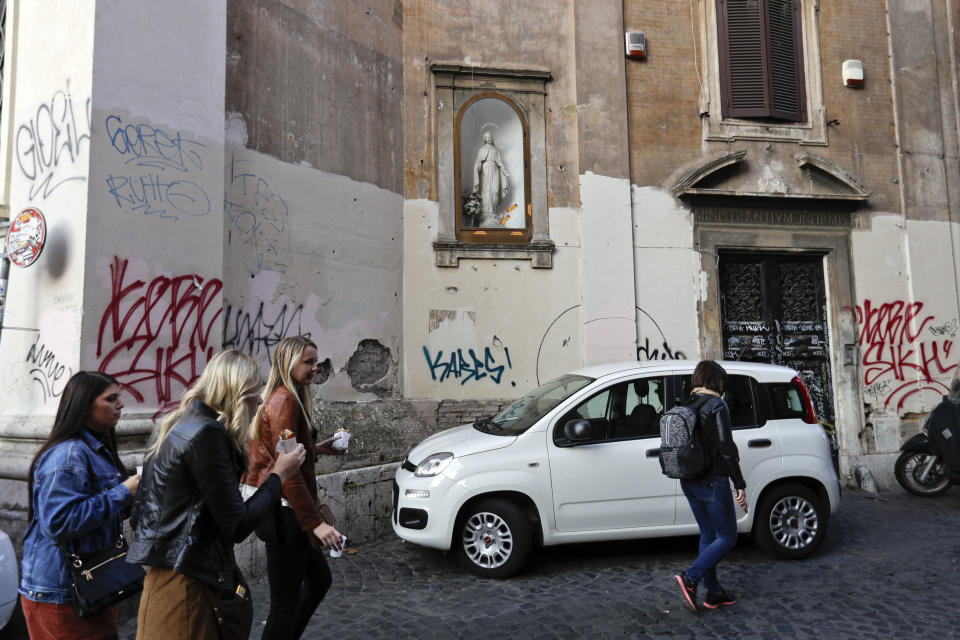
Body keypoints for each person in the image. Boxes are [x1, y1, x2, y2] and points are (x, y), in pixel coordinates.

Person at [129, 349, 305, 639]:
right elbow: (236, 524)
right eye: (255, 390)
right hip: (187, 584)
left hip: (170, 576)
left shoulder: (177, 424)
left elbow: (141, 515)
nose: (260, 399)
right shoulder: (206, 435)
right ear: (236, 392)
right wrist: (279, 475)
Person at [18, 371, 139, 640]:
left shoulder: (94, 448)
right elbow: (60, 523)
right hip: (61, 594)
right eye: (111, 399)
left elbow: (105, 511)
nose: (120, 405)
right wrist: (123, 492)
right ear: (84, 405)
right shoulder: (68, 455)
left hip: (93, 586)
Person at [243, 336, 345, 640]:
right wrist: (315, 524)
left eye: (316, 361)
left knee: (319, 580)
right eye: (308, 362)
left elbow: (290, 453)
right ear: (289, 364)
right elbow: (287, 472)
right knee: (283, 606)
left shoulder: (290, 397)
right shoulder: (283, 400)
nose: (315, 368)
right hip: (284, 514)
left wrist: (318, 448)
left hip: (290, 512)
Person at [673, 360, 748, 613]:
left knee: (708, 535)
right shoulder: (717, 405)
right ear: (716, 381)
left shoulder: (687, 404)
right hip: (712, 480)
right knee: (727, 536)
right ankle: (691, 577)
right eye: (722, 381)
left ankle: (714, 593)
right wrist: (739, 483)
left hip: (689, 480)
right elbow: (727, 448)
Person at [473, 130, 509, 224]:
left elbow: (500, 163)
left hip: (495, 170)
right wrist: (477, 167)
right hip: (485, 171)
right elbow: (478, 161)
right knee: (486, 191)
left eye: (490, 137)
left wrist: (505, 171)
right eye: (487, 137)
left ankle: (493, 212)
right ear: (484, 139)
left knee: (495, 191)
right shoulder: (482, 149)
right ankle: (486, 213)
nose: (489, 139)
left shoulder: (496, 150)